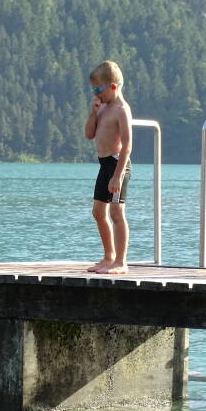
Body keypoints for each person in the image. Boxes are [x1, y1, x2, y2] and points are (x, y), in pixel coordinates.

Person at [84, 60, 133, 274]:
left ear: (113, 87)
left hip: (117, 164)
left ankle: (121, 262)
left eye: (98, 90)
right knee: (98, 212)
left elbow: (127, 145)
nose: (96, 94)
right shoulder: (102, 107)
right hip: (104, 165)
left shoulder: (122, 110)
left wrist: (118, 176)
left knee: (116, 211)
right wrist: (93, 113)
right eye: (93, 90)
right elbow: (89, 134)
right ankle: (108, 256)